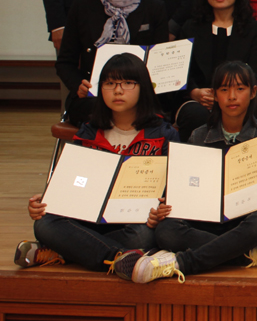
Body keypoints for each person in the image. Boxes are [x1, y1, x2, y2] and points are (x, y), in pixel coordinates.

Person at [17, 54, 176, 278]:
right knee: (45, 223)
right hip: (88, 217)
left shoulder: (164, 134)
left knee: (144, 236)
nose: (118, 90)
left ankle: (65, 253)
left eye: (127, 83)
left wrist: (162, 209)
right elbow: (72, 180)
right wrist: (47, 199)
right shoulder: (89, 131)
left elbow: (176, 189)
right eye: (109, 83)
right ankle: (122, 258)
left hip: (132, 221)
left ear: (143, 88)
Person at [135, 61, 257, 283]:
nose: (232, 96)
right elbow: (185, 182)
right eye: (224, 90)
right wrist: (169, 202)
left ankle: (182, 262)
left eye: (240, 89)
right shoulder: (198, 136)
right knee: (166, 229)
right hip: (204, 219)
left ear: (253, 92)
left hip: (244, 219)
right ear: (214, 94)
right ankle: (245, 255)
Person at [55, 0, 168, 126]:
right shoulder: (82, 6)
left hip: (141, 97)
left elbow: (160, 63)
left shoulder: (155, 8)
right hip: (93, 97)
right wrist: (78, 86)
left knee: (148, 115)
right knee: (96, 114)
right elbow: (65, 62)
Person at [174, 0, 257, 142]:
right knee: (194, 114)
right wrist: (194, 92)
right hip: (199, 99)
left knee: (250, 112)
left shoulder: (251, 28)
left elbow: (254, 72)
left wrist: (231, 93)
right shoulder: (190, 28)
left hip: (237, 97)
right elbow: (182, 70)